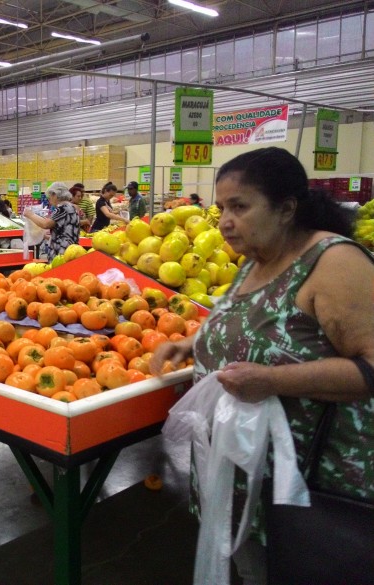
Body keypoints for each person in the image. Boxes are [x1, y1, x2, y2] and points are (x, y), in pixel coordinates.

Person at [150, 147, 374, 584]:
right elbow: (250, 322)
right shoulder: (256, 260)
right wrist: (192, 343)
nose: (225, 221)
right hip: (244, 478)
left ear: (286, 208)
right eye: (220, 209)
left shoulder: (334, 263)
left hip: (306, 488)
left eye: (240, 206)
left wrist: (272, 380)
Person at [23, 181, 80, 261]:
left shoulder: (62, 209)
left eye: (50, 197)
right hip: (72, 251)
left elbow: (46, 224)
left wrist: (30, 214)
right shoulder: (72, 208)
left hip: (62, 254)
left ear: (55, 195)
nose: (50, 201)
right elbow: (65, 233)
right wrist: (46, 236)